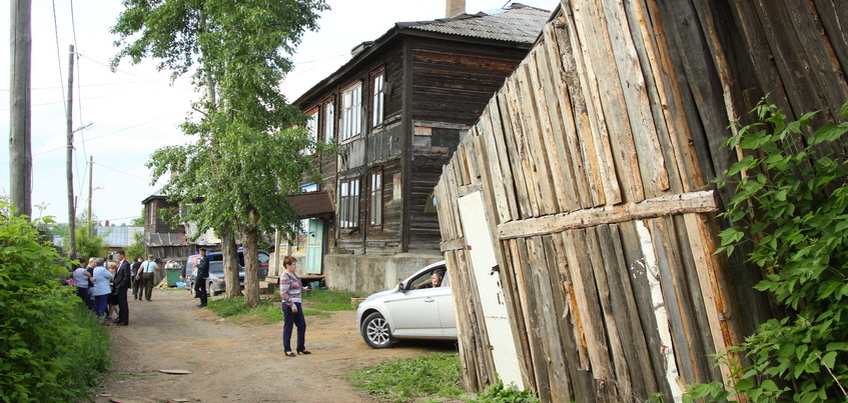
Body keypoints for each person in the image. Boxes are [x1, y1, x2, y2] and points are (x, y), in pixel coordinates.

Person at [279, 256, 310, 357]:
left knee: (302, 325)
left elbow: (297, 286)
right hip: (289, 305)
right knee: (289, 326)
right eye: (293, 264)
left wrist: (303, 288)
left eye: (295, 264)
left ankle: (301, 347)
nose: (295, 266)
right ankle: (287, 349)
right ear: (287, 266)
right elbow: (283, 293)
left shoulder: (294, 275)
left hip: (297, 303)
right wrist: (291, 305)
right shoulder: (285, 276)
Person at [91, 258, 113, 325]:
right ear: (102, 263)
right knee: (102, 304)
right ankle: (101, 319)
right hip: (103, 290)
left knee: (96, 304)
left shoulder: (95, 269)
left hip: (97, 289)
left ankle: (96, 317)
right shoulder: (103, 269)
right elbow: (110, 276)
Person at [113, 250, 131, 326]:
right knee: (120, 303)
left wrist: (122, 285)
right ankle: (120, 317)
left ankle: (124, 320)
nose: (117, 257)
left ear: (123, 255)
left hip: (122, 287)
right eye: (117, 256)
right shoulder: (120, 264)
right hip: (118, 285)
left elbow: (126, 276)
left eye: (118, 256)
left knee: (123, 303)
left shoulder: (126, 264)